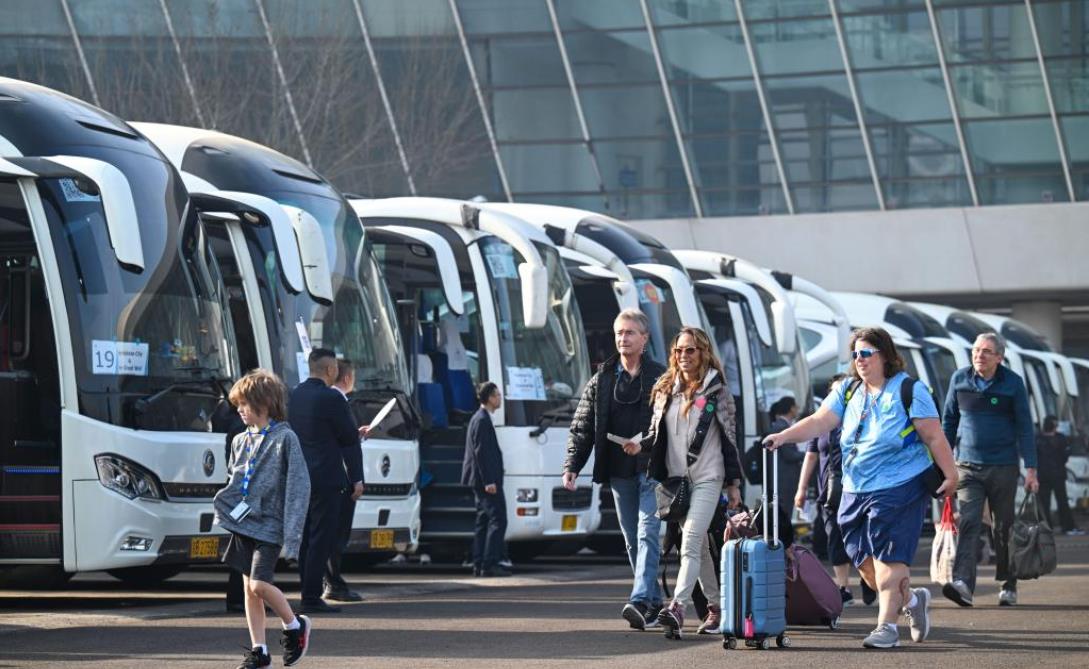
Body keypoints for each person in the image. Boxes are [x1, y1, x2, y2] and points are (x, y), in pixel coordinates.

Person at [764, 327, 958, 649]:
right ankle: (911, 601)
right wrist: (784, 437)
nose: (859, 360)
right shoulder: (848, 390)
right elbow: (819, 420)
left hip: (901, 483)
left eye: (866, 353)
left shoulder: (910, 390)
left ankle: (886, 628)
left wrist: (951, 474)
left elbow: (934, 436)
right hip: (854, 487)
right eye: (855, 354)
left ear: (885, 355)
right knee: (864, 564)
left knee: (889, 559)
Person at [633, 327, 742, 639]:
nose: (684, 356)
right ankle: (718, 608)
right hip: (676, 482)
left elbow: (730, 438)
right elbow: (656, 435)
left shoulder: (716, 391)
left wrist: (733, 483)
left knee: (692, 540)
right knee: (700, 548)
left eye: (690, 350)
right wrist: (638, 444)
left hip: (709, 476)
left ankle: (677, 606)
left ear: (703, 352)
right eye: (679, 350)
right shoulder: (666, 388)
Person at [563, 309, 667, 630]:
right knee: (631, 538)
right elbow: (581, 426)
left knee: (647, 530)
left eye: (630, 333)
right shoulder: (603, 378)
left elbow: (669, 425)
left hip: (650, 466)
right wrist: (572, 466)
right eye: (620, 333)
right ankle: (654, 602)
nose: (623, 338)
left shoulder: (660, 376)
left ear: (644, 338)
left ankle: (638, 599)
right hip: (619, 468)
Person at [213, 370, 312, 669]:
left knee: (258, 585)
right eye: (238, 404)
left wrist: (292, 535)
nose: (240, 410)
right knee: (247, 590)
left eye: (245, 404)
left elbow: (299, 487)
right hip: (243, 524)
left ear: (265, 403)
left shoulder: (286, 438)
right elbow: (235, 479)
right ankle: (260, 651)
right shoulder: (240, 440)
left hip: (270, 525)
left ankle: (295, 626)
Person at [941, 332, 1037, 608]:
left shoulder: (1013, 384)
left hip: (1004, 467)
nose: (978, 356)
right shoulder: (959, 379)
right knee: (969, 522)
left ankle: (1008, 583)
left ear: (999, 357)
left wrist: (1031, 469)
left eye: (986, 352)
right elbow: (948, 422)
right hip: (968, 467)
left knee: (1003, 528)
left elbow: (1025, 429)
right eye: (975, 350)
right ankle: (962, 584)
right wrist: (944, 462)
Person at [290, 349, 365, 614]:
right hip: (327, 478)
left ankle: (306, 590)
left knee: (306, 537)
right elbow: (349, 440)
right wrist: (357, 477)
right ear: (331, 370)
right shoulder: (332, 399)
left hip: (299, 477)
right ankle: (311, 596)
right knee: (322, 537)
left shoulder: (294, 395)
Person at [795, 374, 855, 608]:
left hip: (857, 490)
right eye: (834, 392)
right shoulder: (821, 422)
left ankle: (870, 580)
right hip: (828, 491)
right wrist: (801, 489)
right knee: (834, 537)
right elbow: (810, 455)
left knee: (856, 539)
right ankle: (843, 587)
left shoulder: (858, 419)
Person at [323, 359, 371, 602]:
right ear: (347, 378)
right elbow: (348, 448)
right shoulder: (338, 401)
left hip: (331, 477)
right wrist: (357, 479)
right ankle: (333, 581)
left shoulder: (328, 400)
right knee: (337, 533)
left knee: (330, 532)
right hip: (341, 479)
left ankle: (330, 579)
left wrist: (355, 434)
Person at [462, 381, 509, 577]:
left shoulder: (480, 418)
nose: (500, 399)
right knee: (499, 519)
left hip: (479, 480)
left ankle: (479, 562)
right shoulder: (481, 420)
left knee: (483, 520)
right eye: (497, 395)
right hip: (485, 482)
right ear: (489, 398)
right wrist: (489, 481)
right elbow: (481, 453)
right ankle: (489, 563)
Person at [1037, 415, 1084, 535]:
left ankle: (1046, 527)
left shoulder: (1038, 439)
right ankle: (1067, 526)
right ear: (1054, 425)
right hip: (1057, 474)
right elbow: (1065, 455)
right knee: (1062, 501)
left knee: (1044, 503)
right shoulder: (1060, 438)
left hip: (1043, 475)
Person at [769, 395, 803, 539]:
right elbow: (790, 455)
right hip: (785, 480)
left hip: (778, 479)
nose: (797, 410)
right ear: (791, 408)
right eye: (796, 406)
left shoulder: (776, 425)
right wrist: (808, 454)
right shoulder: (783, 428)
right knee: (784, 514)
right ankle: (784, 545)